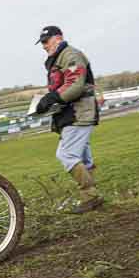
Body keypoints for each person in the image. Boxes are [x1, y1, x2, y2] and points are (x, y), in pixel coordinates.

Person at [32, 25, 104, 213]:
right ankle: (93, 198)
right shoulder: (58, 58)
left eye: (46, 41)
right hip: (70, 113)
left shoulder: (71, 55)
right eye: (42, 43)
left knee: (66, 155)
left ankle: (91, 196)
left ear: (58, 38)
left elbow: (75, 85)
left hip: (79, 113)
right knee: (83, 157)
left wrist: (52, 98)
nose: (44, 46)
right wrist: (48, 99)